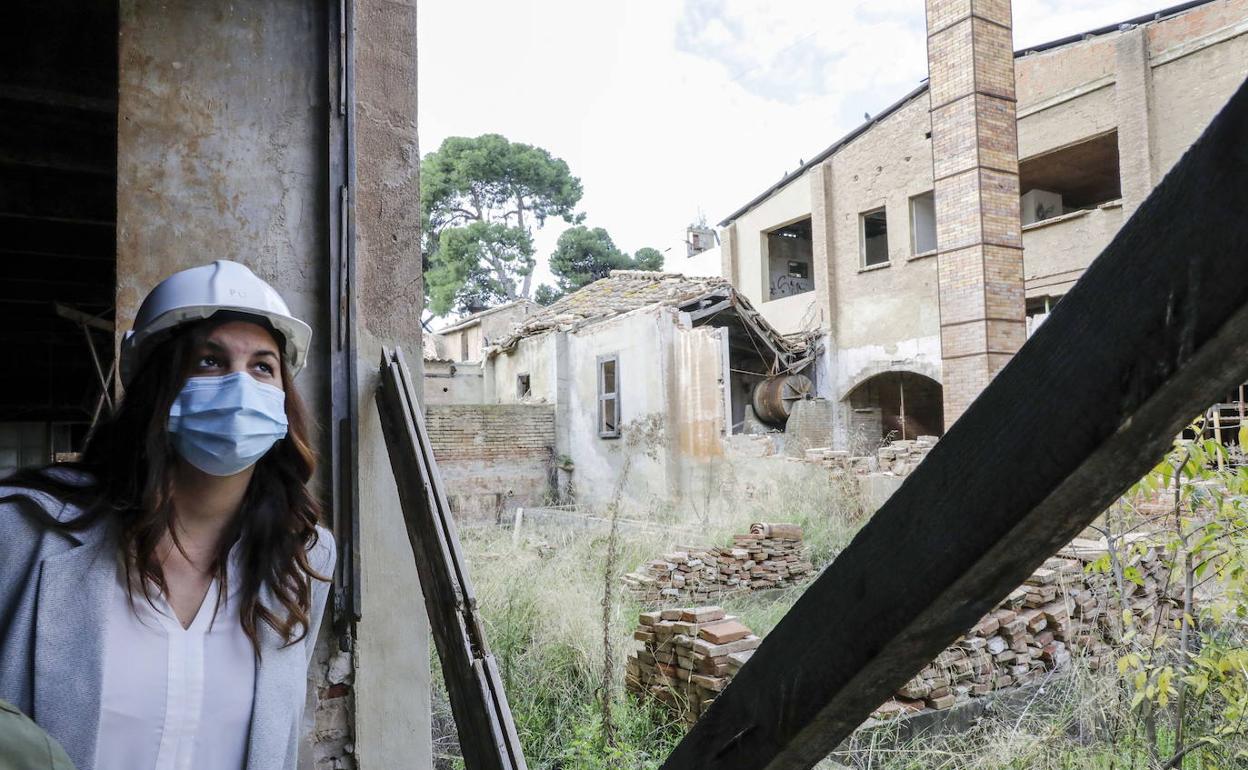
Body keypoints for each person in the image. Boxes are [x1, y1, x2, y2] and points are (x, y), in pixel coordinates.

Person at [0, 260, 336, 770]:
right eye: (209, 362)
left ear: (283, 401)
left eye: (262, 366)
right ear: (158, 387)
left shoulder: (304, 556)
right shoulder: (26, 529)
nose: (239, 386)